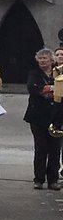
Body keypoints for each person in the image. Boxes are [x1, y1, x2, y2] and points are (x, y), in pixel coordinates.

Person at [27, 48, 61, 190]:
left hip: (56, 116)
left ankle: (53, 179)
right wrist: (52, 90)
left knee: (55, 149)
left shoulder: (58, 73)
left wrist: (49, 89)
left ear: (52, 60)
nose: (42, 61)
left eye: (45, 58)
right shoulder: (34, 74)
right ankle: (39, 179)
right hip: (38, 117)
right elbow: (34, 89)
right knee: (40, 149)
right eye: (40, 58)